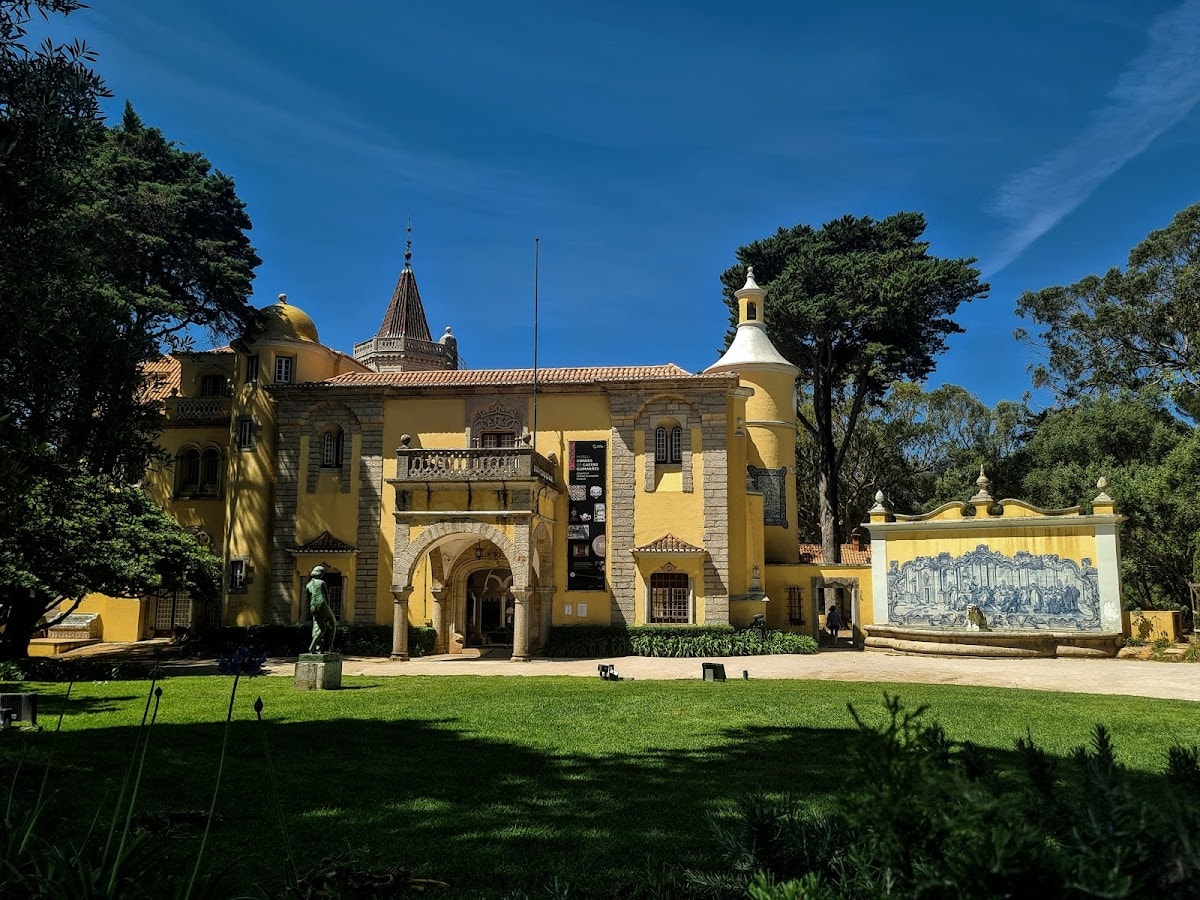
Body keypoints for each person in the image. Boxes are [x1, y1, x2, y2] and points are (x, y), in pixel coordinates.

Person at [305, 565, 337, 653]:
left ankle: (317, 648)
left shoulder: (308, 585)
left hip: (313, 607)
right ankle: (330, 646)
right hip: (322, 604)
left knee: (317, 627)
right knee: (332, 622)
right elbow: (326, 597)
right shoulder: (321, 583)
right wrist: (327, 610)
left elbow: (308, 598)